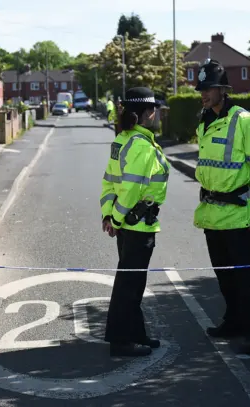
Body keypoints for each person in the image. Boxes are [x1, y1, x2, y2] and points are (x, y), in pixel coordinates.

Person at [194, 59, 250, 355]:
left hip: (235, 209)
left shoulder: (243, 119)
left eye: (209, 88)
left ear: (223, 90)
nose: (204, 93)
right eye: (201, 89)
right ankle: (234, 321)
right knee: (224, 274)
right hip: (211, 211)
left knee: (243, 275)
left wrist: (244, 190)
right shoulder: (204, 120)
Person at [99, 87, 170, 357]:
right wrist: (117, 219)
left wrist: (108, 214)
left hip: (127, 224)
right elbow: (129, 190)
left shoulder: (123, 140)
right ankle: (121, 341)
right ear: (148, 113)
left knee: (133, 282)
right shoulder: (141, 145)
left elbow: (109, 181)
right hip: (137, 225)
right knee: (129, 285)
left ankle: (136, 333)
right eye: (155, 109)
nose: (156, 113)